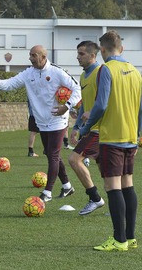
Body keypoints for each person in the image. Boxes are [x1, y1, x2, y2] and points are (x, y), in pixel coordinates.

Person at [0, 45, 81, 202]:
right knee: (51, 154)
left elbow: (77, 88)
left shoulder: (57, 72)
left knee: (53, 156)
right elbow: (11, 83)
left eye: (33, 55)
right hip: (41, 121)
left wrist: (67, 106)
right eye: (30, 55)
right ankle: (67, 186)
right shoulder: (28, 73)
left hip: (58, 120)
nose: (30, 57)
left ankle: (47, 193)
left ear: (43, 57)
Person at [79, 30, 141, 251]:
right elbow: (140, 108)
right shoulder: (135, 71)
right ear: (121, 49)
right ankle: (131, 238)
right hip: (130, 138)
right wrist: (138, 133)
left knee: (113, 186)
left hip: (111, 137)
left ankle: (119, 240)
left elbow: (101, 105)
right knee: (128, 185)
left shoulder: (106, 70)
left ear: (102, 50)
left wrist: (85, 127)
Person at [68, 41, 105, 216]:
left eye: (82, 54)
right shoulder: (83, 76)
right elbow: (84, 105)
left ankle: (95, 198)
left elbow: (105, 102)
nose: (78, 57)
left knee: (74, 160)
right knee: (105, 170)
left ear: (93, 55)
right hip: (90, 129)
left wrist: (92, 113)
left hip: (100, 129)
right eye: (78, 53)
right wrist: (76, 127)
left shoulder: (101, 73)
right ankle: (116, 206)